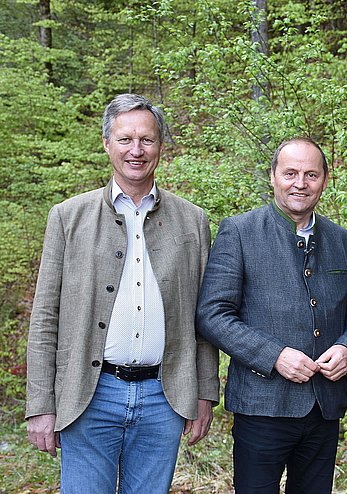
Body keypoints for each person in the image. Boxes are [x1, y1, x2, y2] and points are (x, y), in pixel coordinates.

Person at [25, 93, 220, 493]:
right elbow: (45, 316)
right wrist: (41, 404)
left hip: (164, 397)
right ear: (106, 143)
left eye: (147, 140)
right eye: (125, 139)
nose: (137, 150)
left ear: (161, 146)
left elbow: (204, 318)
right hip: (88, 394)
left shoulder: (193, 220)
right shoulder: (68, 217)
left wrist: (204, 392)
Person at [195, 136, 347, 493]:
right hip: (263, 406)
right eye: (290, 173)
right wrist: (274, 356)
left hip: (324, 406)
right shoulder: (240, 231)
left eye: (311, 174)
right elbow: (212, 314)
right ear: (273, 176)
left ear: (325, 179)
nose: (300, 183)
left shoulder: (341, 239)